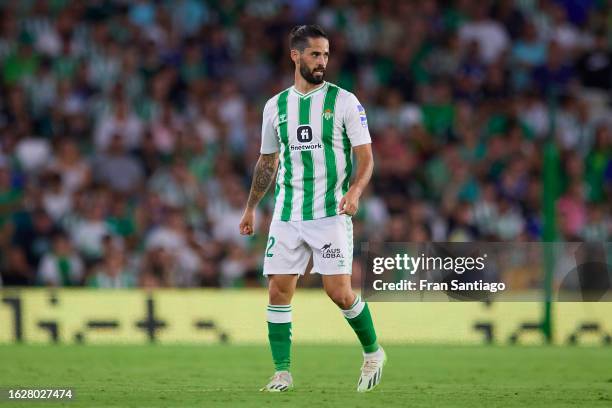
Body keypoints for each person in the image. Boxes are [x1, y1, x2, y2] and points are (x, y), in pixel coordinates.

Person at [239, 25, 384, 393]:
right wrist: (250, 208)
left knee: (338, 291)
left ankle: (373, 351)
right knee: (277, 291)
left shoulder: (345, 102)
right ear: (296, 56)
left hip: (331, 213)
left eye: (326, 54)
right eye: (315, 54)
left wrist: (355, 191)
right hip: (287, 215)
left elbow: (366, 158)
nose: (322, 61)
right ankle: (282, 372)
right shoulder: (275, 106)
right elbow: (267, 163)